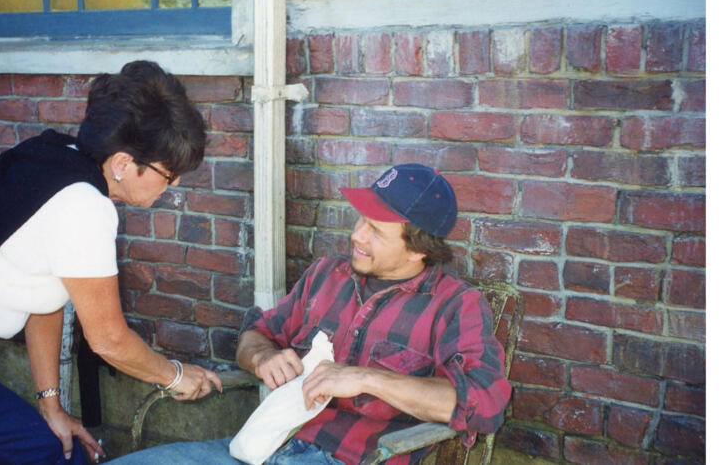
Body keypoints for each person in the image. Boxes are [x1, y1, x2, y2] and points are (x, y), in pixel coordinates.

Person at [110, 163, 512, 465]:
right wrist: (262, 357)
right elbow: (255, 334)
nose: (356, 235)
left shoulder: (455, 305)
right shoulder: (327, 274)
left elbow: (487, 402)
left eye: (376, 230)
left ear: (418, 249)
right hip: (262, 447)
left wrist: (365, 378)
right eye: (360, 221)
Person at [0, 60, 222, 465]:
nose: (173, 185)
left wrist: (51, 405)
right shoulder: (84, 205)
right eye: (168, 172)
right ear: (123, 163)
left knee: (44, 450)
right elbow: (109, 340)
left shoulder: (52, 153)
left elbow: (45, 298)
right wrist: (175, 375)